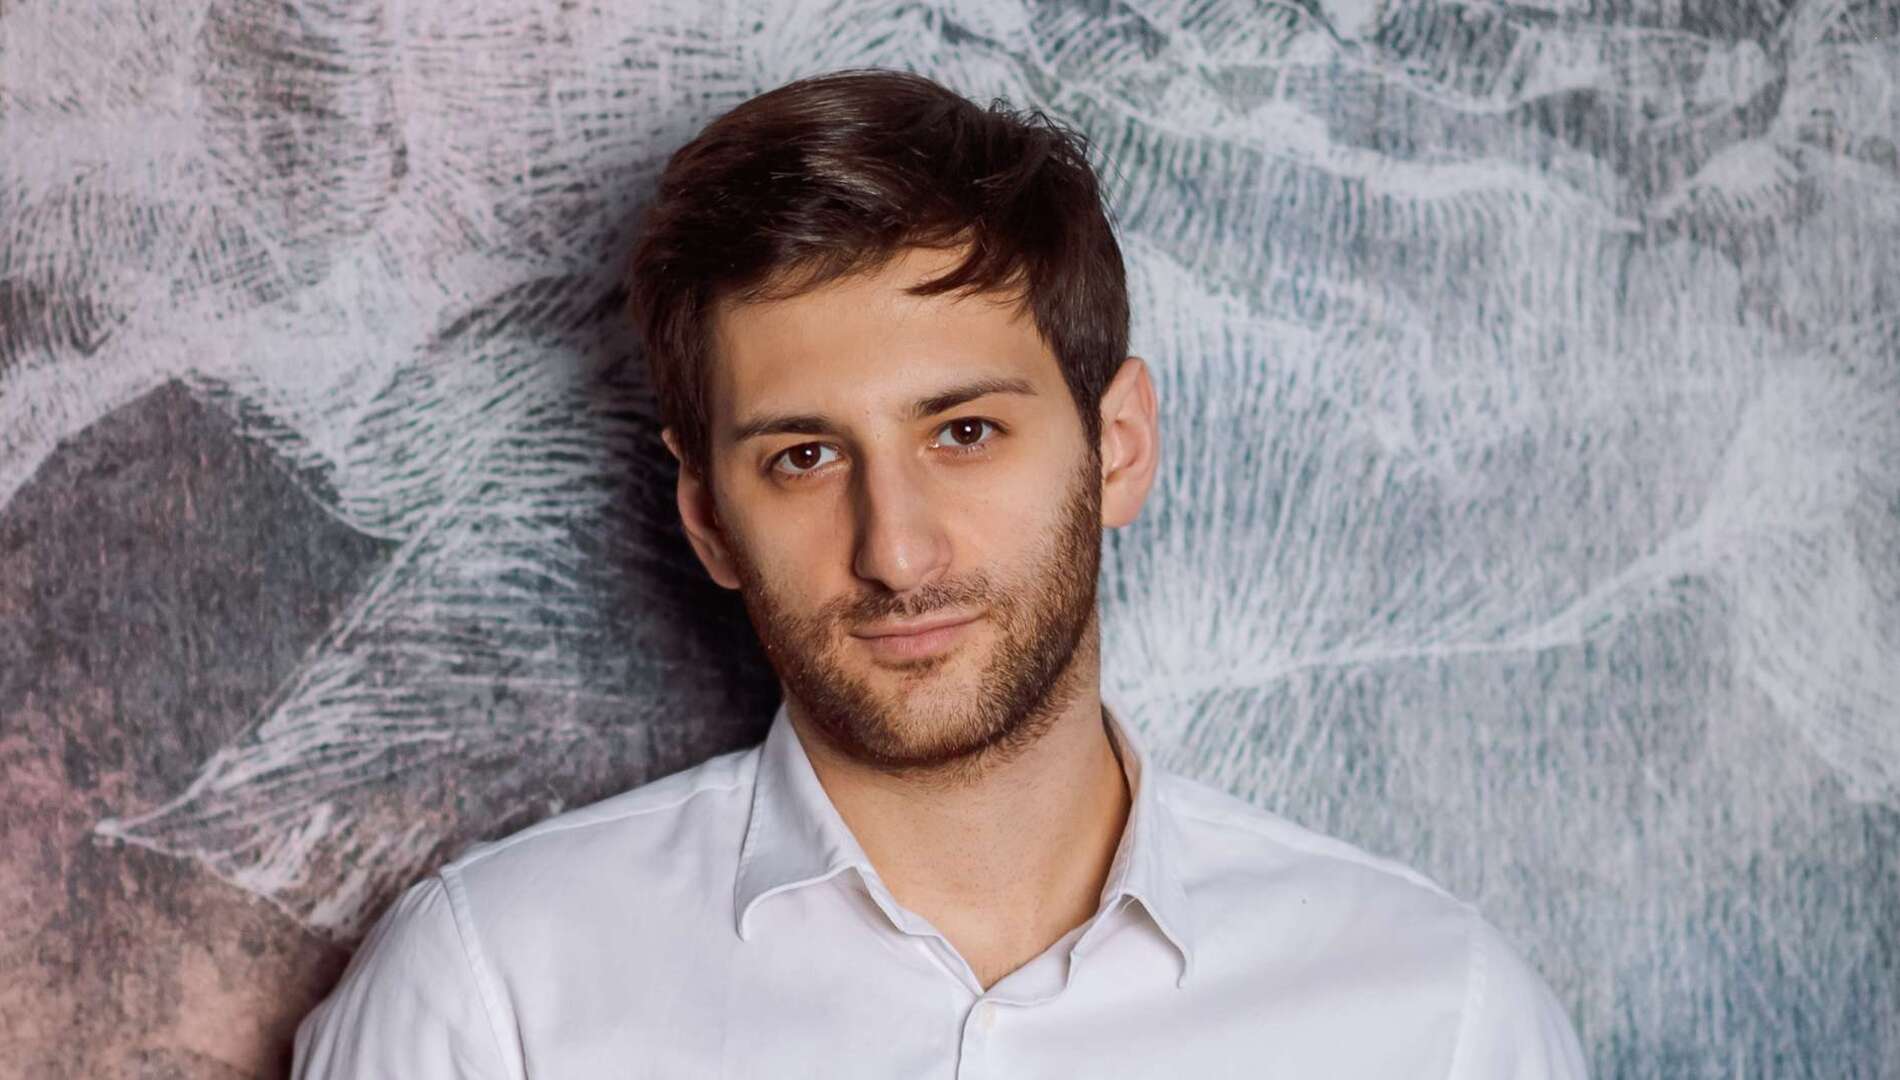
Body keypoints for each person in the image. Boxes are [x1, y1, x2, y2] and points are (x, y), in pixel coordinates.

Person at [291, 67, 1589, 1078]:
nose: (895, 551)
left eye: (963, 433)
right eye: (803, 457)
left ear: (1119, 446)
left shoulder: (1439, 1019)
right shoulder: (489, 1000)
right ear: (708, 518)